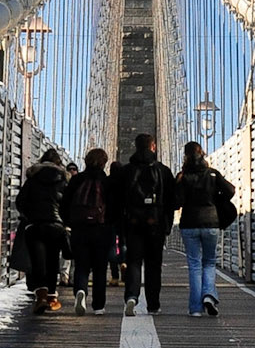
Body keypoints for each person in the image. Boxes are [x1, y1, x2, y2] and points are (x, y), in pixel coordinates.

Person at [110, 132, 175, 316]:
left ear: (136, 147)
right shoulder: (163, 171)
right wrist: (166, 222)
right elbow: (173, 200)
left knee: (133, 262)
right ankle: (153, 305)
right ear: (153, 147)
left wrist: (120, 224)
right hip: (156, 224)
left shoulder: (126, 171)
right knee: (154, 264)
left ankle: (131, 297)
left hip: (133, 222)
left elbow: (116, 199)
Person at [172, 139, 234, 318]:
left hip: (189, 224)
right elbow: (230, 191)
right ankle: (208, 295)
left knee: (194, 264)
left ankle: (195, 308)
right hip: (211, 223)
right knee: (209, 262)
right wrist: (215, 195)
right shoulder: (213, 174)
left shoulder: (182, 177)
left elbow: (177, 203)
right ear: (203, 154)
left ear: (185, 156)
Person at [15, 148, 69, 313]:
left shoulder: (32, 179)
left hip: (35, 226)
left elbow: (20, 201)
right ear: (59, 163)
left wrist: (29, 216)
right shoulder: (63, 180)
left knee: (38, 262)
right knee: (53, 260)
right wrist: (64, 222)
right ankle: (52, 297)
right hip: (56, 227)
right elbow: (67, 204)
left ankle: (40, 296)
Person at [64, 147, 115, 313]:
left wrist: (70, 222)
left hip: (80, 229)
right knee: (100, 268)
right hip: (102, 229)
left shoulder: (76, 180)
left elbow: (64, 204)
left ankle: (81, 290)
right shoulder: (108, 182)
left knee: (81, 265)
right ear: (104, 163)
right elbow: (114, 208)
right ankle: (99, 306)